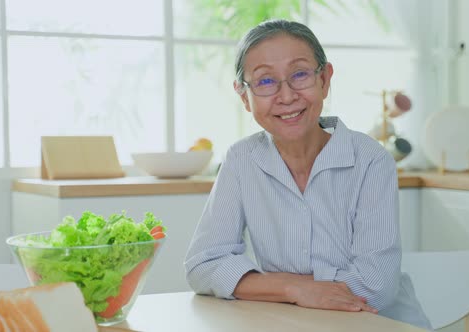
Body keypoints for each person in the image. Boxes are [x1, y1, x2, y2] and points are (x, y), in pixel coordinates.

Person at [184, 19, 431, 330]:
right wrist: (295, 289)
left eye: (299, 74)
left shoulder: (371, 161)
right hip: (292, 323)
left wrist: (263, 285)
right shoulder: (240, 160)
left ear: (325, 80)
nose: (286, 96)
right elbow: (203, 265)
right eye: (264, 82)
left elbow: (374, 287)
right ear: (243, 95)